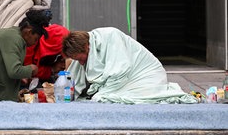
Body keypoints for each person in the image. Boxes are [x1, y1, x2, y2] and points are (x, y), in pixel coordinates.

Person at [62, 27, 198, 104]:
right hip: (128, 76)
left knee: (110, 97)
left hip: (147, 75)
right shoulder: (85, 48)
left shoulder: (110, 36)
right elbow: (74, 74)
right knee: (104, 97)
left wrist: (102, 93)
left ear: (86, 47)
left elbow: (121, 70)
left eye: (81, 59)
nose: (80, 63)